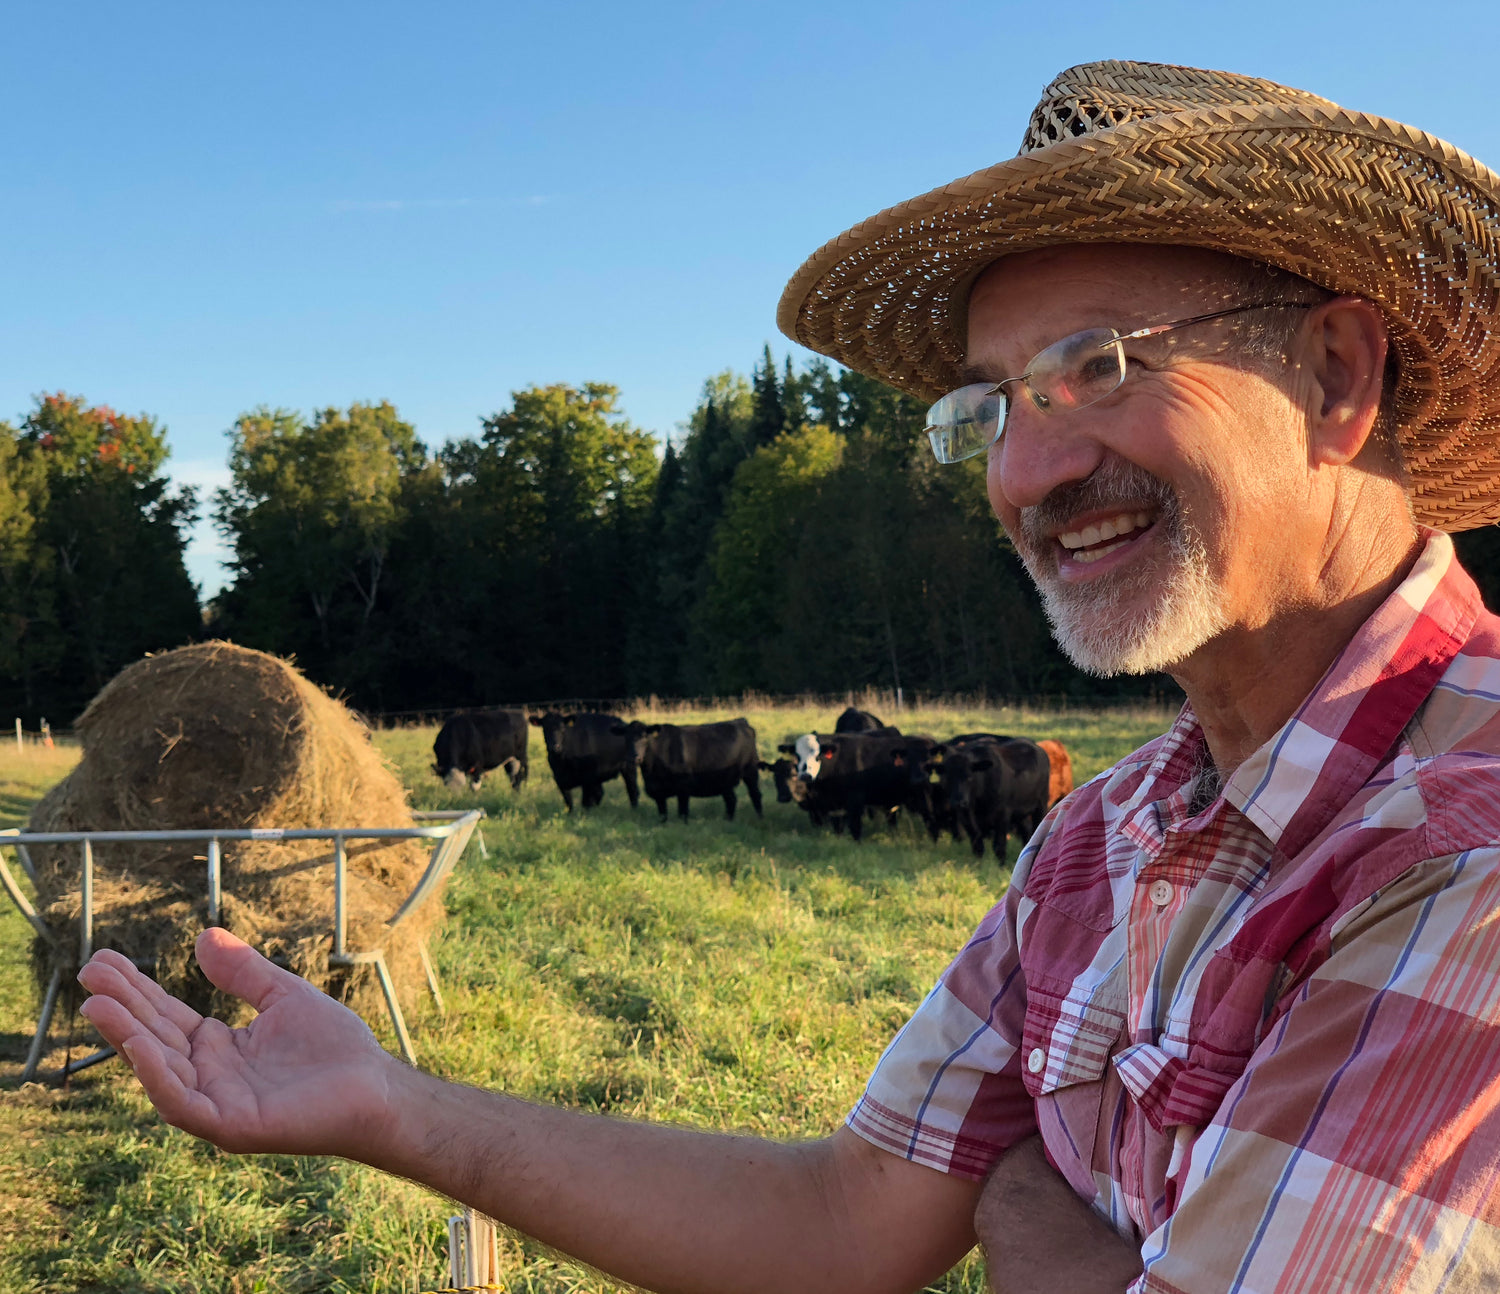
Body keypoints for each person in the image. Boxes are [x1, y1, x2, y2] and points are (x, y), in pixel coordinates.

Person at [78, 60, 1500, 1293]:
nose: (1027, 469)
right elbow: (839, 1220)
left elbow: (910, 1218)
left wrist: (1012, 1201)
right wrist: (392, 1105)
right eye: (992, 405)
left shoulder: (1463, 851)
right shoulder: (1103, 838)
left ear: (1334, 371)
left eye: (1100, 364)